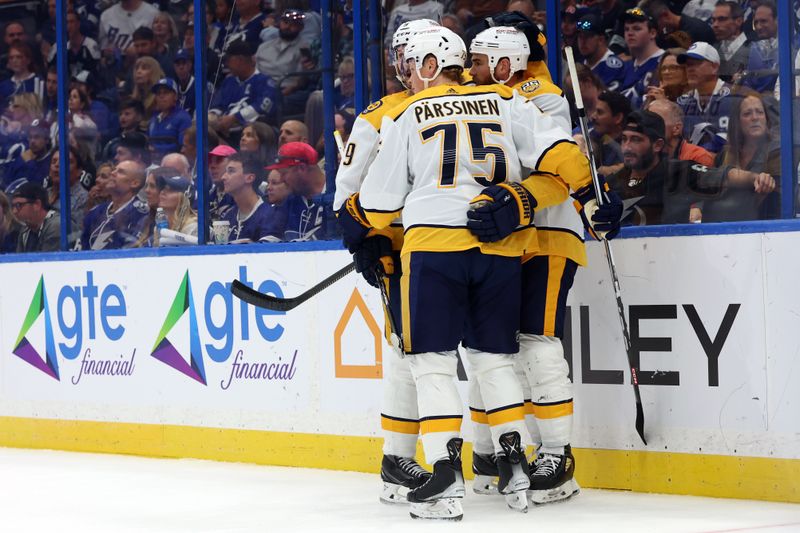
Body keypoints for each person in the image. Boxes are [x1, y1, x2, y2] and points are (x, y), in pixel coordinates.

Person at [356, 26, 607, 521]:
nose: (404, 71)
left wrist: (374, 225)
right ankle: (513, 460)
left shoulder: (406, 111)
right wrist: (590, 194)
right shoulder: (503, 100)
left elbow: (376, 202)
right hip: (501, 249)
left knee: (430, 360)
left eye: (409, 62)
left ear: (428, 65)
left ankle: (445, 472)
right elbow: (565, 158)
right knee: (495, 355)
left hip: (434, 246)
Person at [468, 22, 620, 506]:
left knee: (536, 338)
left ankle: (557, 455)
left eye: (478, 59)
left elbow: (562, 165)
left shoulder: (543, 98)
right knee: (490, 347)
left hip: (548, 234)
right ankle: (491, 448)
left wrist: (595, 200)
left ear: (505, 61)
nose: (469, 69)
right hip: (502, 241)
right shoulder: (471, 100)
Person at [334, 18, 438, 506]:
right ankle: (397, 457)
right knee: (408, 350)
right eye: (405, 53)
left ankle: (485, 452)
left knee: (480, 352)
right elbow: (347, 191)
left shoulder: (471, 104)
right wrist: (364, 241)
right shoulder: (381, 113)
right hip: (401, 248)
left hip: (465, 244)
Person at [708, 91, 779, 221]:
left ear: (766, 119)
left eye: (759, 112)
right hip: (724, 227)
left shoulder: (776, 152)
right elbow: (711, 192)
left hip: (765, 230)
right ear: (737, 122)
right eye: (747, 114)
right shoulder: (724, 155)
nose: (755, 118)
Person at [209, 40, 279, 137]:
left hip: (250, 135)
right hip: (223, 133)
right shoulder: (229, 81)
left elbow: (262, 108)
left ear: (240, 60)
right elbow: (217, 104)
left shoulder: (265, 82)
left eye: (228, 60)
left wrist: (235, 118)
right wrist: (213, 117)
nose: (226, 64)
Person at [79, 159, 149, 250]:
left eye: (120, 172)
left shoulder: (141, 215)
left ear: (134, 183)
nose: (112, 173)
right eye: (114, 170)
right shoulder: (95, 212)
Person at [676, 42, 732, 153]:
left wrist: (694, 153)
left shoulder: (730, 97)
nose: (690, 69)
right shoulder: (683, 101)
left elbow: (725, 137)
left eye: (696, 63)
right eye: (688, 65)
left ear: (714, 67)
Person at [220, 153, 285, 243]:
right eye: (225, 172)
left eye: (231, 171)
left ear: (249, 178)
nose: (223, 177)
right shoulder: (228, 216)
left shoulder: (270, 215)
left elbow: (266, 254)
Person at [268, 142, 326, 242]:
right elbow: (272, 234)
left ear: (302, 168)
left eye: (284, 173)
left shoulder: (338, 196)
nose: (282, 179)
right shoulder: (289, 201)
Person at [619, 8, 665, 110]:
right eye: (626, 29)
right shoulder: (626, 66)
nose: (630, 33)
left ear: (652, 33)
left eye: (637, 28)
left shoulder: (664, 62)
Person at [577, 12, 627, 92]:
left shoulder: (613, 67)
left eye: (587, 36)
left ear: (601, 40)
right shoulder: (579, 64)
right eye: (580, 36)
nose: (582, 41)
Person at [148, 78, 192, 160]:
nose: (161, 96)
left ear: (175, 96)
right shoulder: (153, 119)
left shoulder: (183, 118)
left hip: (173, 163)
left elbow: (183, 148)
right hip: (154, 163)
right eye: (158, 93)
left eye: (166, 92)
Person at [639, 0, 716, 46]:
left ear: (665, 15)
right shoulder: (668, 32)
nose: (654, 28)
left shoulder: (694, 30)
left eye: (655, 23)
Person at [12, 182, 60, 253]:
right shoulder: (25, 230)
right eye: (13, 206)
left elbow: (48, 262)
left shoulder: (56, 226)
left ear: (37, 204)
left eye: (19, 205)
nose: (14, 211)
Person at [712, 1, 750, 83]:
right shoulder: (711, 50)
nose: (715, 25)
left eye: (721, 19)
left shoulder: (755, 50)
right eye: (713, 20)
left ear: (739, 21)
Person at [208, 144, 237, 221]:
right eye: (210, 161)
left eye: (218, 160)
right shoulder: (207, 196)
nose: (212, 166)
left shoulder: (244, 195)